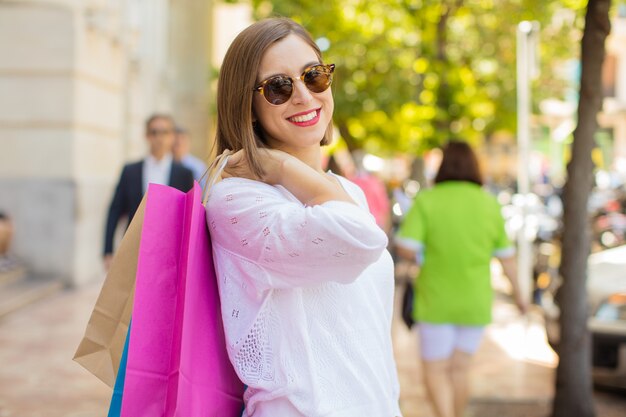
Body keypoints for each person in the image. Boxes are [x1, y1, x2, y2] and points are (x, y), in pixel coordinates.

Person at [205, 17, 401, 417]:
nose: (303, 95)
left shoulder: (348, 192)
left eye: (313, 76)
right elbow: (359, 239)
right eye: (278, 87)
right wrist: (278, 168)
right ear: (249, 106)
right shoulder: (237, 200)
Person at [395, 141, 527, 417]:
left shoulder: (428, 200)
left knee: (435, 369)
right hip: (475, 301)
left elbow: (406, 247)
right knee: (461, 369)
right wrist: (520, 296)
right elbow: (507, 258)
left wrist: (425, 252)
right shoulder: (488, 203)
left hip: (436, 300)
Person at [103, 114, 194, 270]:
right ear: (146, 136)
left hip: (171, 252)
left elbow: (190, 216)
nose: (159, 138)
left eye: (165, 132)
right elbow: (115, 210)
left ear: (172, 137)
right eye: (154, 132)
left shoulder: (184, 174)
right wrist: (108, 250)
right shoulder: (130, 171)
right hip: (134, 248)